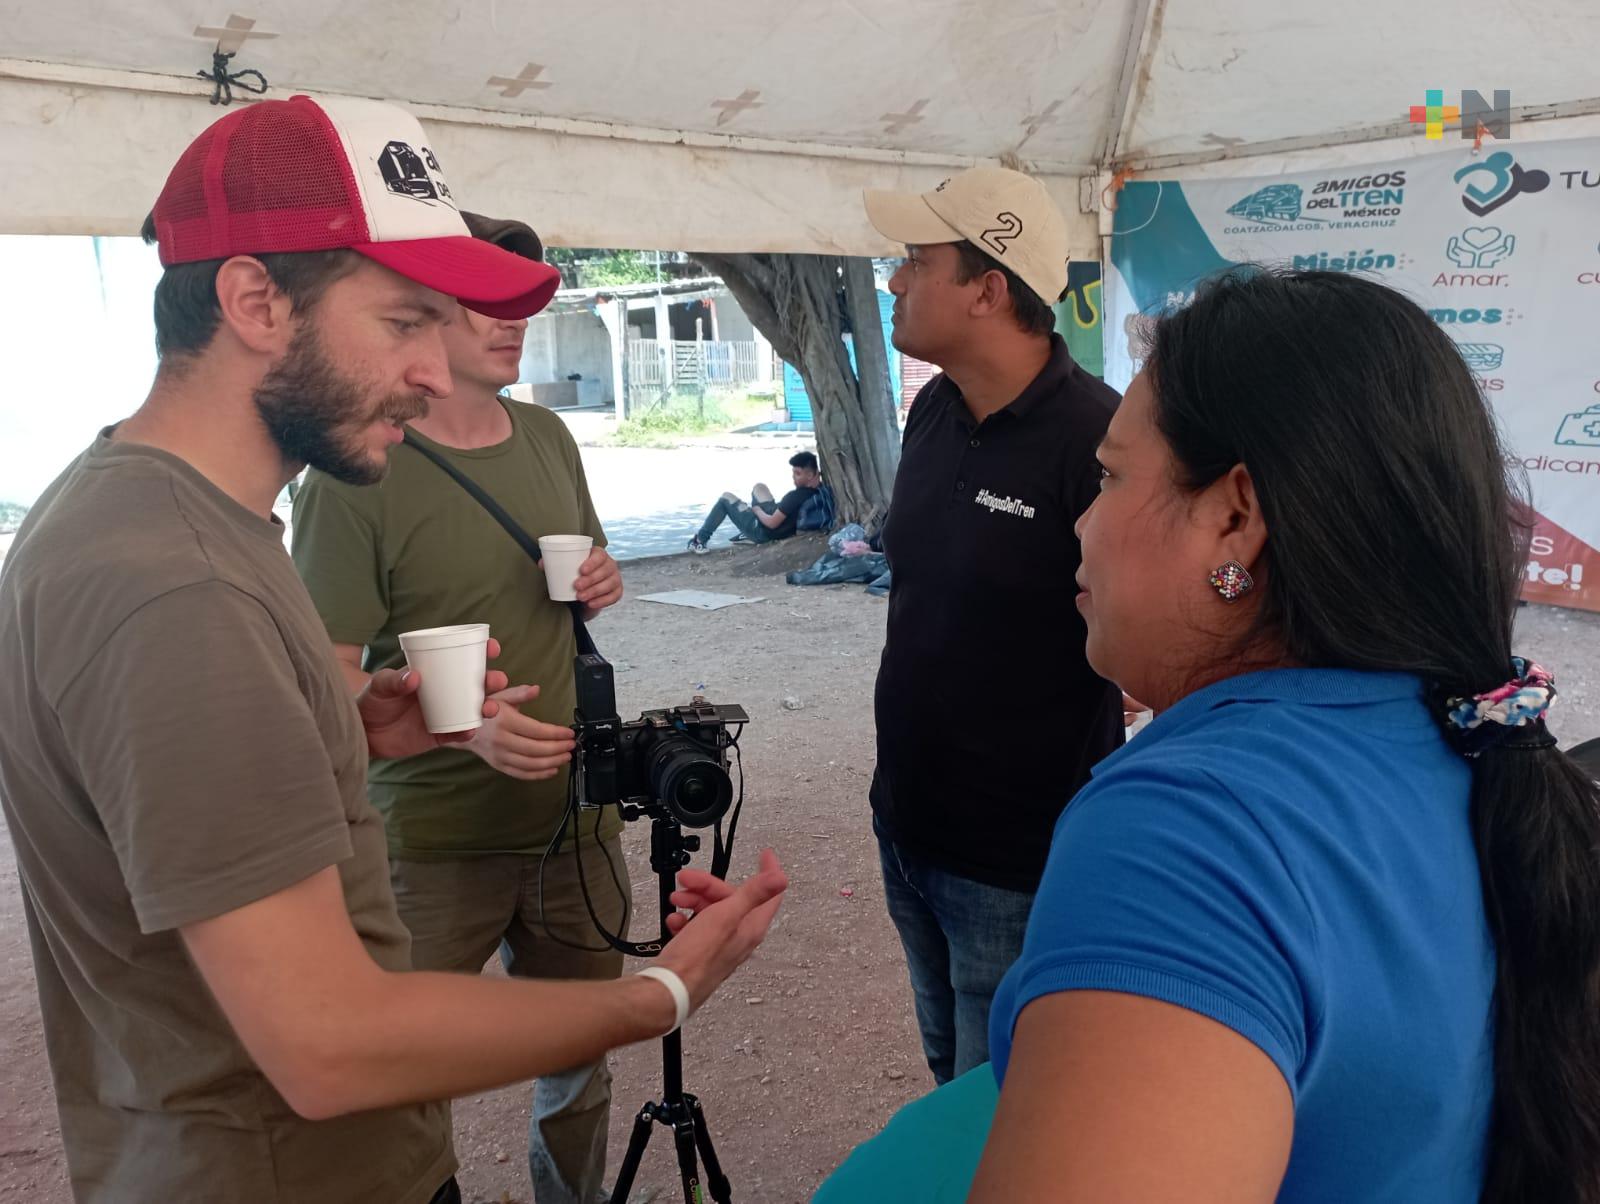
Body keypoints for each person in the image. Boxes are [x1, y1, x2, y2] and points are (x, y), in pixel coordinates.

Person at [0, 94, 786, 1204]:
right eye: (404, 321)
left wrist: (344, 716)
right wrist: (659, 992)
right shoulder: (178, 582)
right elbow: (327, 1042)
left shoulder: (154, 513)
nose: (433, 369)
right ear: (254, 300)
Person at [821, 268, 1600, 1203]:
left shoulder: (1191, 828)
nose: (1083, 518)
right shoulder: (1461, 735)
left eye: (1110, 477)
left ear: (1234, 517)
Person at [290, 211, 626, 1203]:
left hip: (574, 819)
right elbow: (319, 679)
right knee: (397, 1079)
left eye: (528, 298)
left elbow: (581, 574)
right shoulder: (356, 474)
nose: (515, 319)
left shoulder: (550, 436)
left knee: (583, 1053)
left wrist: (598, 580)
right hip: (429, 837)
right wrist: (458, 723)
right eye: (489, 297)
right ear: (425, 313)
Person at [859, 165, 1123, 1084]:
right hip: (906, 823)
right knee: (945, 1075)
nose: (894, 281)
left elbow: (1142, 649)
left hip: (1016, 859)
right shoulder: (932, 409)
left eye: (914, 261)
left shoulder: (1100, 441)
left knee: (994, 1106)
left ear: (987, 288)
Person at [687, 450, 822, 551]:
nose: (793, 478)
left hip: (762, 530)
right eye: (793, 473)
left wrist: (757, 511)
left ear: (810, 475)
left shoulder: (794, 497)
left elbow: (771, 524)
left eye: (797, 474)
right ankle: (745, 529)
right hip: (775, 513)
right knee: (759, 487)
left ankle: (699, 541)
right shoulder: (820, 491)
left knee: (725, 498)